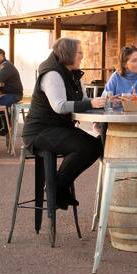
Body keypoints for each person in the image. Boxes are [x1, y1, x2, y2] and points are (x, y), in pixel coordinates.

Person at [22, 37, 106, 210]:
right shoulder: (52, 74)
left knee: (97, 145)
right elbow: (59, 106)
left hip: (59, 128)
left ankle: (58, 185)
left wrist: (102, 105)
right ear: (68, 54)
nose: (83, 56)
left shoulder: (73, 73)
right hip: (40, 131)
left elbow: (82, 100)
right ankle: (57, 187)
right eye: (79, 52)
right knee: (85, 147)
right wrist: (91, 104)